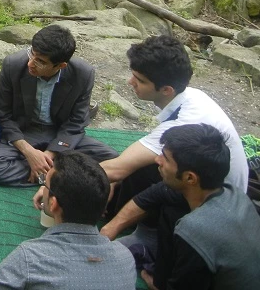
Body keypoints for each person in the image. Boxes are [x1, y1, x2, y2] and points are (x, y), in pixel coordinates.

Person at [101, 124, 260, 290]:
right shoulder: (232, 193)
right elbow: (158, 193)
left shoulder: (194, 230)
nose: (158, 160)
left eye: (166, 159)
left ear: (190, 178)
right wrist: (110, 229)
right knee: (170, 208)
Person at [100, 35, 248, 212]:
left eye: (139, 80)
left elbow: (115, 170)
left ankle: (117, 214)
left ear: (166, 90)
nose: (130, 82)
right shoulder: (191, 95)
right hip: (217, 186)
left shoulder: (185, 121)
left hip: (219, 206)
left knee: (144, 169)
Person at [0, 152, 136, 290]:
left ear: (53, 204)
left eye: (44, 185)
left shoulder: (31, 257)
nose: (42, 189)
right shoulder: (124, 257)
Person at [0, 25, 117, 186]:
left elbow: (76, 122)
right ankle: (61, 176)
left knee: (112, 159)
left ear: (60, 66)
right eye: (31, 54)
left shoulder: (83, 74)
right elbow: (2, 115)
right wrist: (29, 153)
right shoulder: (13, 65)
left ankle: (47, 172)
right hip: (25, 132)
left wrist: (51, 154)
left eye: (41, 62)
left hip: (60, 133)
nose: (31, 63)